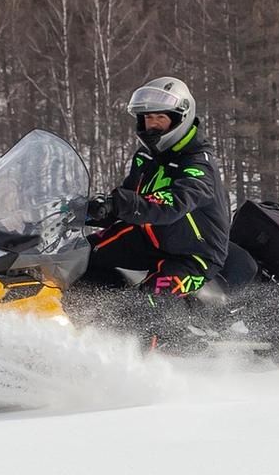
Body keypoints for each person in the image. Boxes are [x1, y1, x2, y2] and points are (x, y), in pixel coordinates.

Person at [75, 76, 233, 341]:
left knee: (147, 306)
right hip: (149, 237)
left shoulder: (198, 164)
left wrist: (121, 203)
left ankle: (140, 368)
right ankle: (77, 321)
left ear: (180, 118)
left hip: (193, 254)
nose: (152, 125)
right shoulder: (146, 156)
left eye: (160, 117)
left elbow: (173, 203)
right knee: (76, 257)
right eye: (147, 118)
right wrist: (90, 209)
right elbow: (130, 199)